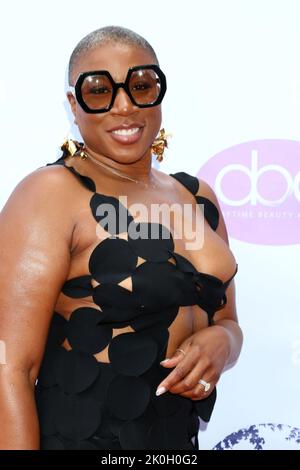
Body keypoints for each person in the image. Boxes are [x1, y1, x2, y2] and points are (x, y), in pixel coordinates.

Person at [0, 25, 243, 450]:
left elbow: (228, 322)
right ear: (74, 106)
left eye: (141, 85)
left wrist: (222, 342)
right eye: (99, 91)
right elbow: (9, 367)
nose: (125, 106)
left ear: (159, 92)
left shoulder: (197, 196)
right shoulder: (50, 193)